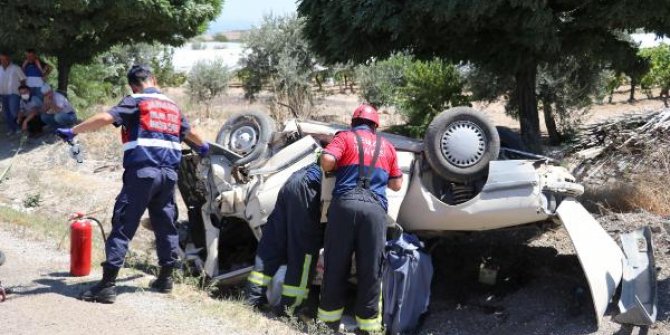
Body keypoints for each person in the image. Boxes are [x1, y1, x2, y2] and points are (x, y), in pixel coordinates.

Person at [55, 65, 210, 304]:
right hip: (169, 175)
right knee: (165, 223)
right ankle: (166, 278)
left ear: (133, 85)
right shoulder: (172, 107)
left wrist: (73, 131)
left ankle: (107, 286)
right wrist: (203, 147)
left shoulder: (136, 100)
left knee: (124, 223)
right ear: (154, 79)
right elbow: (194, 136)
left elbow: (106, 118)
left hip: (143, 174)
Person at [317, 104, 403, 334]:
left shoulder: (344, 138)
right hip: (374, 210)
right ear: (376, 126)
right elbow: (396, 184)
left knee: (335, 265)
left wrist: (338, 164)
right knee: (371, 269)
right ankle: (368, 327)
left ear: (353, 122)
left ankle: (327, 325)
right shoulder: (387, 147)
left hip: (345, 205)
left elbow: (326, 160)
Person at [246, 163, 323, 316]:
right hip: (310, 188)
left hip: (294, 180)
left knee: (272, 245)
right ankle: (289, 309)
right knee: (304, 254)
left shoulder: (341, 143)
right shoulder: (359, 156)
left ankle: (252, 299)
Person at [0, 52, 27, 135]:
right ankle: (12, 129)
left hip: (14, 93)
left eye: (5, 59)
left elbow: (23, 79)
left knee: (14, 111)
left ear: (9, 59)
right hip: (2, 94)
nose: (3, 61)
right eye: (1, 59)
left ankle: (19, 128)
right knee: (6, 113)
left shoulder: (16, 68)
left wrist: (23, 91)